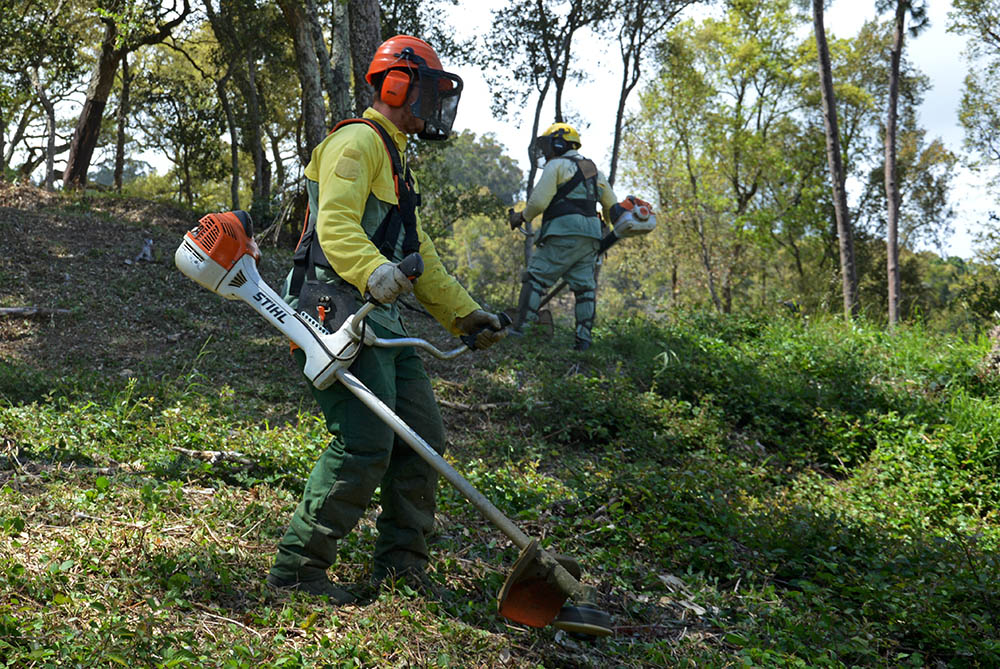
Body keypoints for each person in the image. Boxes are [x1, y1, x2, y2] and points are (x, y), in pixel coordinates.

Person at [266, 34, 506, 603]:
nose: (434, 104)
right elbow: (338, 227)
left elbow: (424, 260)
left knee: (423, 440)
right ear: (398, 84)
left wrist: (466, 317)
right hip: (335, 309)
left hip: (382, 319)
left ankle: (401, 567)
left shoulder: (396, 162)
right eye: (429, 90)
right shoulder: (357, 141)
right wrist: (376, 274)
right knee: (363, 441)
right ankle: (298, 572)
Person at [508, 123, 619, 351]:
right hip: (590, 237)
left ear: (559, 143)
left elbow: (538, 202)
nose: (546, 151)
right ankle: (583, 342)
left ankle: (521, 332)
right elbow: (611, 205)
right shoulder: (591, 168)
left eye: (548, 145)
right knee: (585, 289)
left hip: (562, 233)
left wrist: (521, 217)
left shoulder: (556, 165)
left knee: (535, 278)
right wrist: (605, 227)